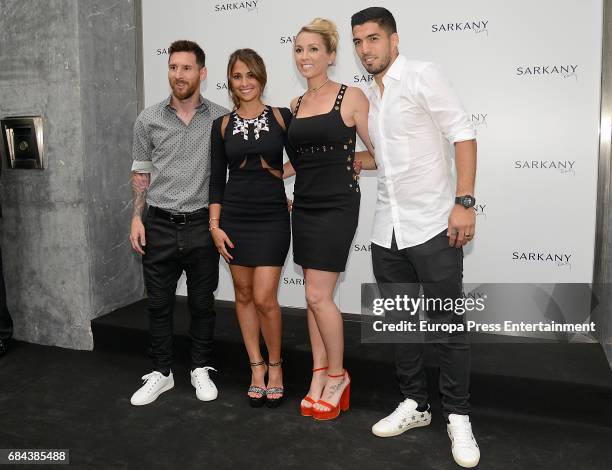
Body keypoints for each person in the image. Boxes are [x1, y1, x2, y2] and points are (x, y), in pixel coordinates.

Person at [351, 7, 480, 468]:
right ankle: (416, 404)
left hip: (432, 226)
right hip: (387, 230)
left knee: (447, 327)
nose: (365, 48)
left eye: (373, 39)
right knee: (402, 325)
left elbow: (463, 135)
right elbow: (389, 158)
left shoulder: (424, 75)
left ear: (393, 40)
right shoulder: (370, 94)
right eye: (358, 41)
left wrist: (464, 202)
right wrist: (351, 163)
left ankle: (459, 416)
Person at [285, 18, 375, 420]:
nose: (305, 57)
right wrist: (271, 174)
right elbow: (300, 159)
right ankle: (319, 372)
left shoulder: (351, 96)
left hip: (337, 206)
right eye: (299, 50)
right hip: (303, 205)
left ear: (331, 55)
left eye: (313, 49)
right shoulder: (295, 105)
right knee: (311, 296)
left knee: (319, 296)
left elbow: (379, 153)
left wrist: (354, 160)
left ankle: (338, 375)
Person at [128, 40, 228, 406]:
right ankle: (162, 372)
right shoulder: (148, 118)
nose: (178, 75)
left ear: (202, 73)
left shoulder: (221, 117)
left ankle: (200, 367)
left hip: (203, 224)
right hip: (159, 223)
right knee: (158, 305)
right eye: (173, 67)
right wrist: (136, 218)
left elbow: (236, 171)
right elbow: (142, 172)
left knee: (202, 303)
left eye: (186, 68)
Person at [209, 49, 292, 408]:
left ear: (262, 77)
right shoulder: (222, 125)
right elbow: (216, 180)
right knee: (242, 295)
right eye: (238, 76)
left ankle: (276, 366)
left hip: (272, 217)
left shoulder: (282, 117)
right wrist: (214, 225)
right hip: (234, 217)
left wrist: (283, 176)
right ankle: (255, 367)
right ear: (230, 81)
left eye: (251, 75)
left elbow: (307, 159)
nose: (245, 83)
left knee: (264, 297)